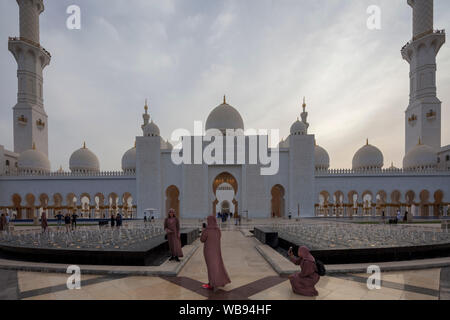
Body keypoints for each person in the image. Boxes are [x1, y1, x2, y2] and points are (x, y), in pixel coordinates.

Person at [200, 215, 231, 292]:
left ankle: (212, 284)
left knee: (211, 268)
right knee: (218, 266)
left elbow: (202, 240)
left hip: (208, 252)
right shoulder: (218, 230)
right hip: (217, 251)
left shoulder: (207, 230)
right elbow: (219, 238)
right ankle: (220, 281)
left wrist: (203, 230)